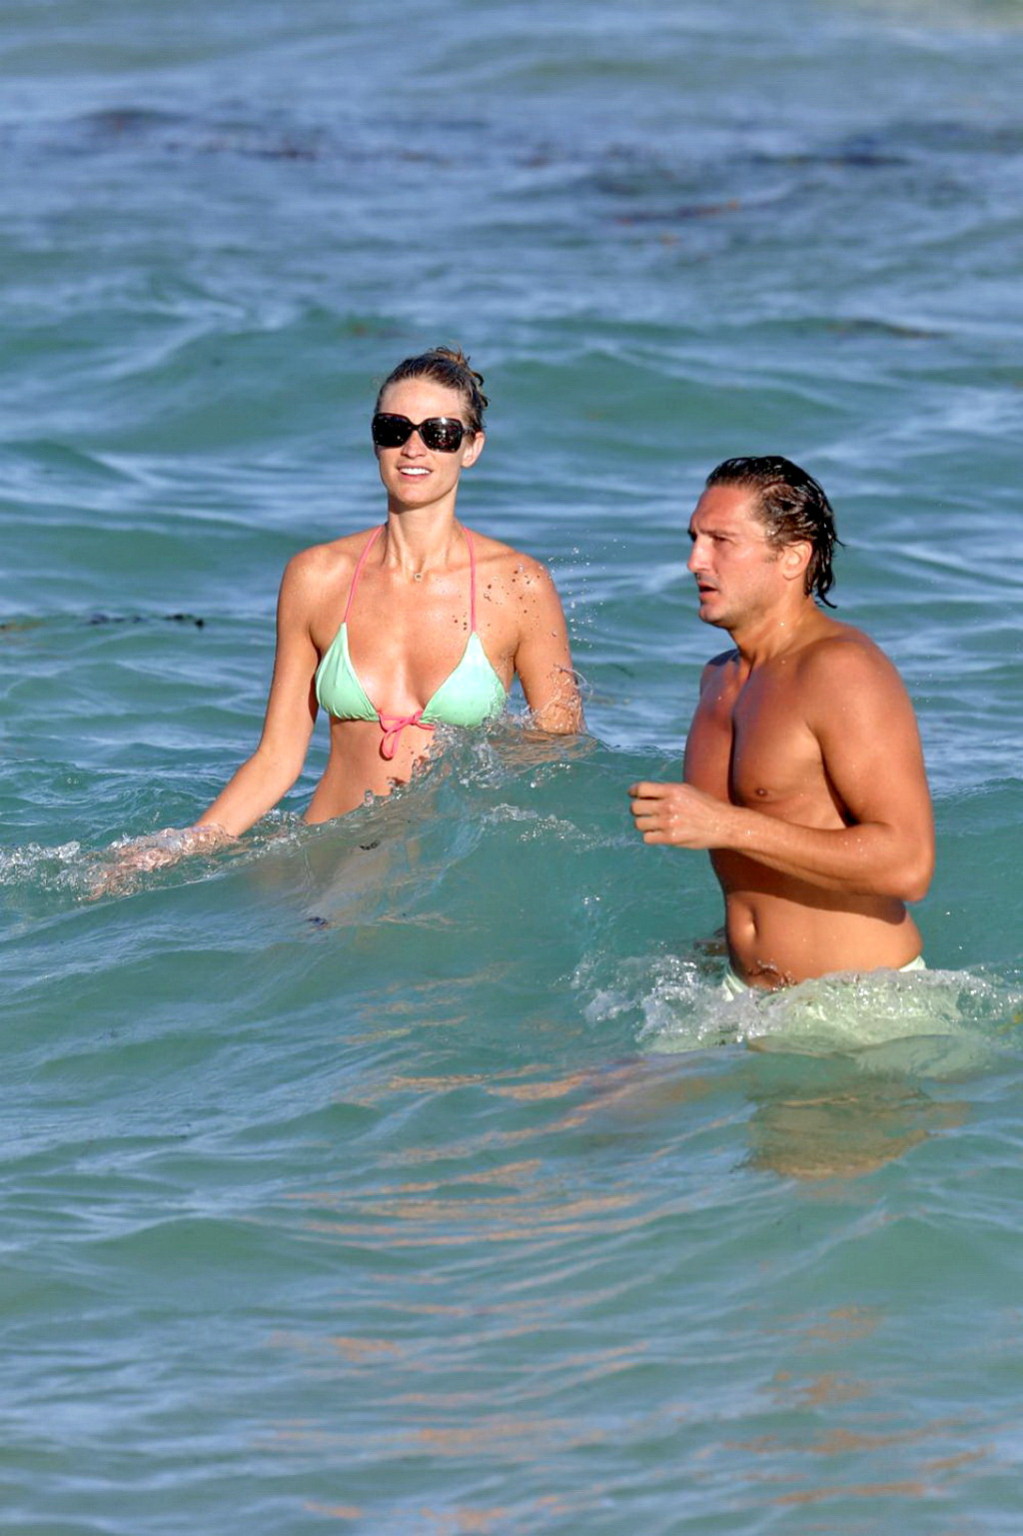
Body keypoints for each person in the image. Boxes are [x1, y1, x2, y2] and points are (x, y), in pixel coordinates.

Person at [104, 347, 582, 881]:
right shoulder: (317, 577)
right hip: (324, 859)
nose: (414, 448)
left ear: (471, 448)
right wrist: (183, 845)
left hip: (450, 871)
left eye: (440, 432)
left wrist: (475, 776)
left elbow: (559, 746)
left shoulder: (519, 585)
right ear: (375, 441)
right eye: (394, 429)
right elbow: (277, 759)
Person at [629, 456, 934, 993]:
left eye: (721, 540)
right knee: (579, 1076)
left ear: (792, 558)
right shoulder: (718, 678)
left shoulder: (841, 669)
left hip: (857, 1006)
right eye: (695, 538)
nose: (695, 560)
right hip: (739, 994)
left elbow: (908, 864)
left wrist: (724, 826)